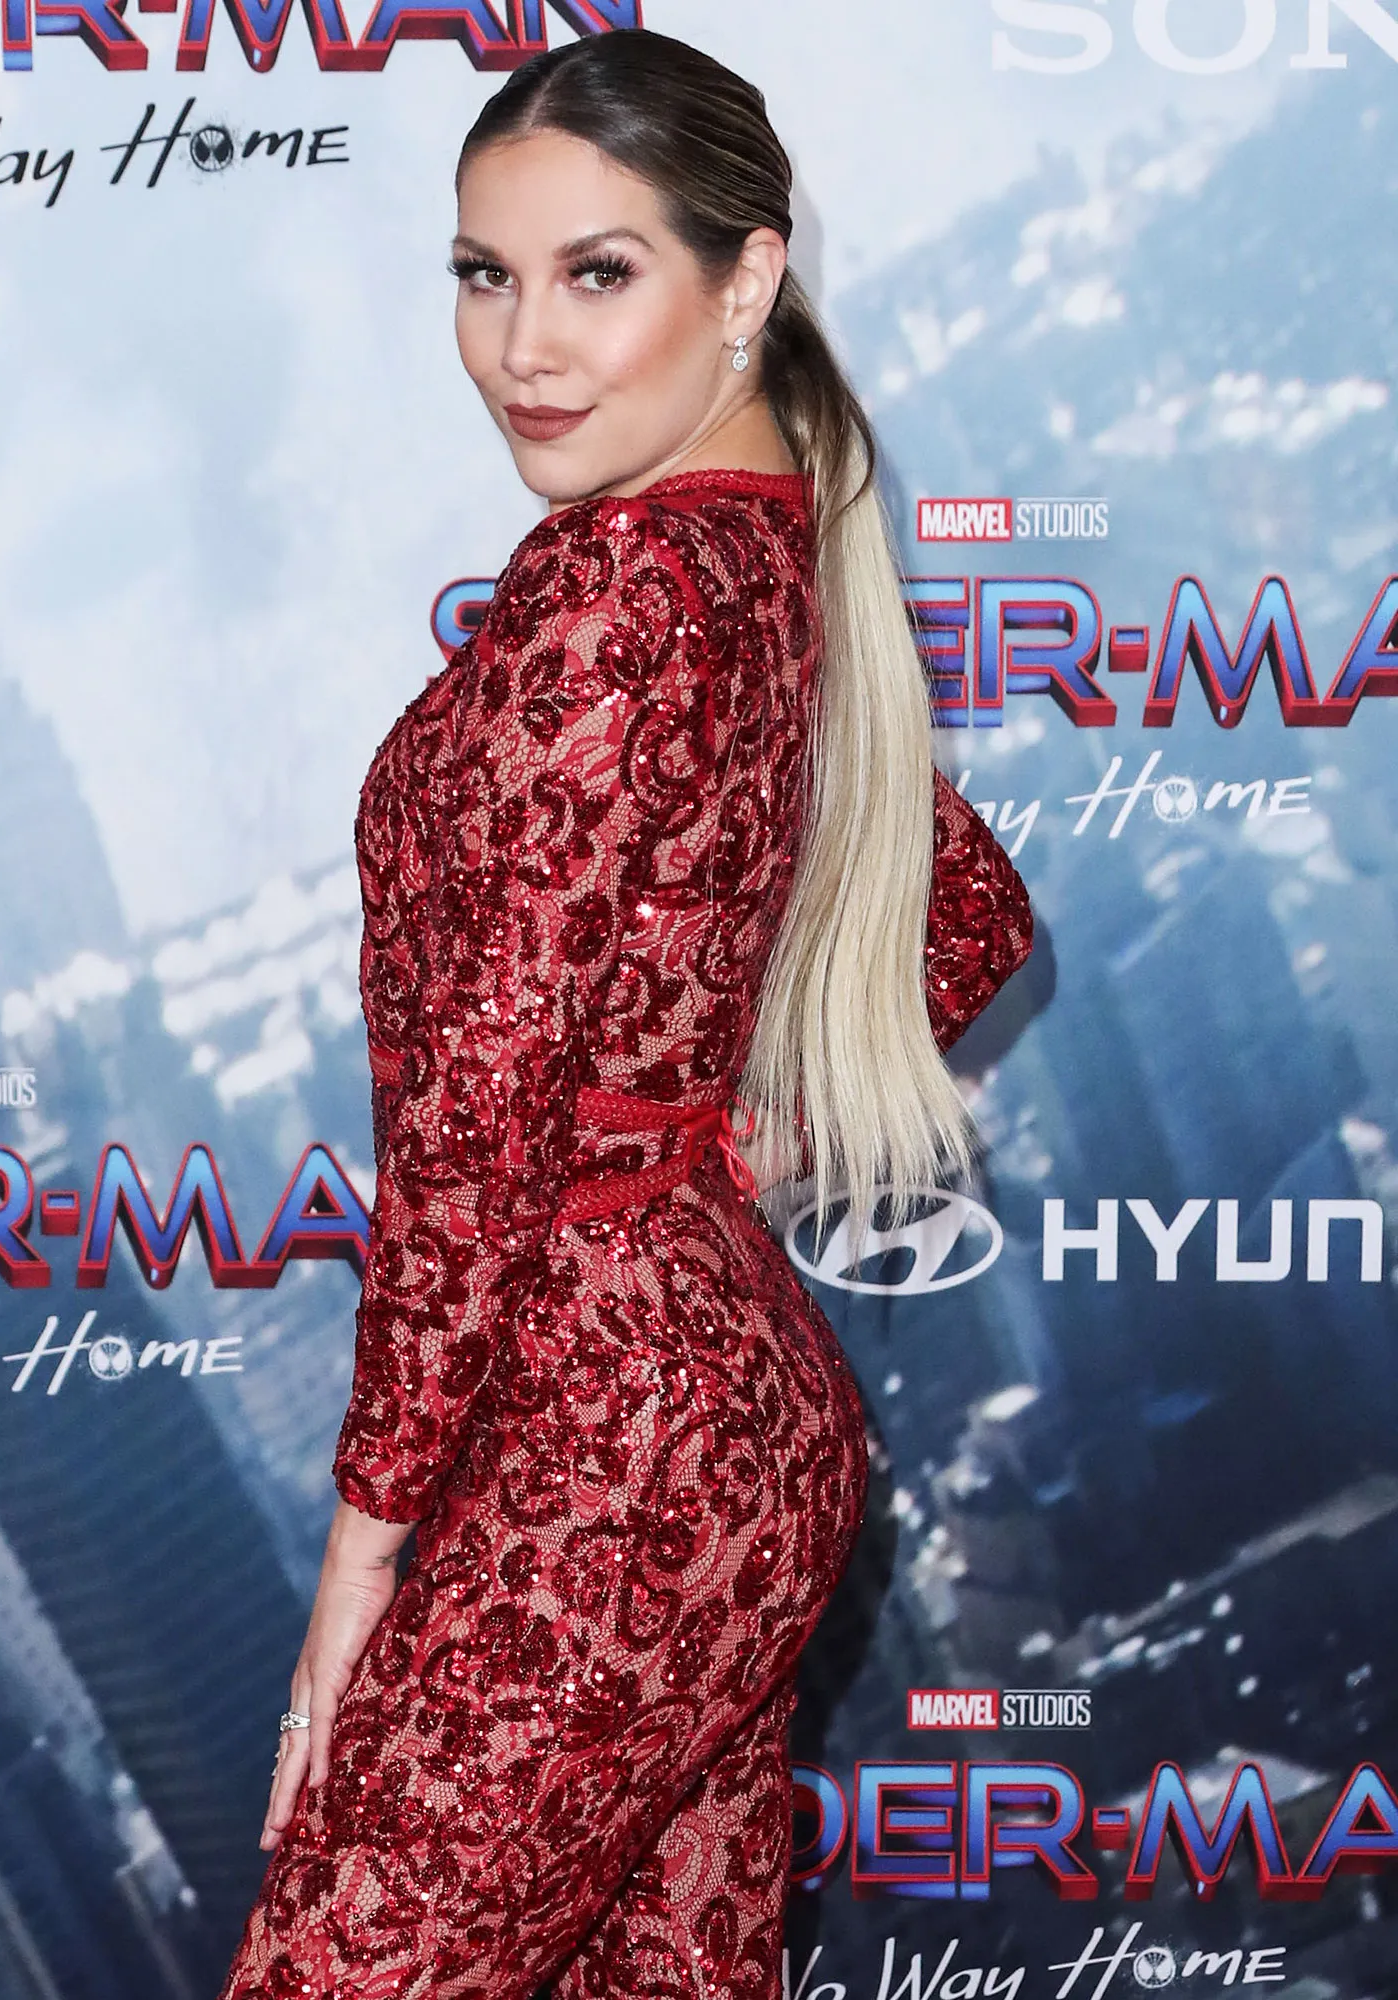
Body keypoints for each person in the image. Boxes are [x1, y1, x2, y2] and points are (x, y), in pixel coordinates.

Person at [218, 28, 1032, 2000]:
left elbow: (473, 1141)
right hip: (724, 1436)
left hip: (598, 1471)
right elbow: (967, 921)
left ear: (745, 279)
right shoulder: (765, 555)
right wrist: (685, 1152)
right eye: (482, 275)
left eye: (597, 273)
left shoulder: (613, 602)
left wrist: (357, 1567)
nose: (523, 347)